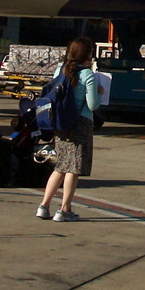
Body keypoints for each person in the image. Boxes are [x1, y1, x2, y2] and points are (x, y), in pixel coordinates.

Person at [36, 37, 103, 223]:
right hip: (80, 124)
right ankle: (64, 209)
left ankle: (44, 206)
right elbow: (92, 105)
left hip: (61, 123)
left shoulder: (60, 70)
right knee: (73, 169)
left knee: (60, 166)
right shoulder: (88, 75)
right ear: (87, 54)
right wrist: (100, 93)